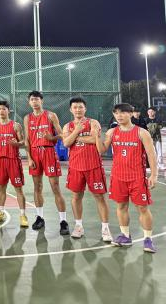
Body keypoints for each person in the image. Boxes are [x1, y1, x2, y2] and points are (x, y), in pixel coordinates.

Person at [105, 103, 157, 253]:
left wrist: (153, 174)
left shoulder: (142, 132)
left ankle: (148, 239)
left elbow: (151, 154)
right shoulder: (111, 132)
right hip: (118, 176)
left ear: (131, 113)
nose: (119, 116)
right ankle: (125, 236)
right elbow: (101, 149)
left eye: (123, 112)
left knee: (142, 208)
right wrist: (96, 136)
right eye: (116, 113)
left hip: (137, 177)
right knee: (121, 207)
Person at [61, 97, 112, 241]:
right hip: (76, 167)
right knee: (76, 196)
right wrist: (77, 131)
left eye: (80, 107)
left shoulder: (93, 122)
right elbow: (66, 143)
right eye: (75, 107)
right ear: (71, 110)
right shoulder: (67, 126)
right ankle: (78, 226)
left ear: (85, 109)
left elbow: (95, 139)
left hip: (93, 165)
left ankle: (105, 228)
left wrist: (75, 137)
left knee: (100, 197)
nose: (78, 110)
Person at [24, 91, 69, 235]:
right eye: (32, 99)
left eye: (37, 99)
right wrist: (29, 158)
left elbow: (62, 135)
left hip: (49, 151)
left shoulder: (50, 115)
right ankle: (39, 217)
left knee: (55, 187)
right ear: (29, 102)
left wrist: (52, 138)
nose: (34, 101)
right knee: (37, 186)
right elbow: (27, 140)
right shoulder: (27, 118)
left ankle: (63, 221)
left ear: (41, 101)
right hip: (34, 153)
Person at [0, 101, 28, 228]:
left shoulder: (16, 126)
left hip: (13, 160)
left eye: (4, 109)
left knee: (18, 189)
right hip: (0, 160)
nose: (1, 111)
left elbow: (23, 142)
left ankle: (23, 215)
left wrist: (17, 144)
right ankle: (0, 212)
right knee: (1, 188)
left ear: (8, 111)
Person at [146, 107, 164, 174]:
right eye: (149, 112)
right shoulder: (146, 120)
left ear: (155, 112)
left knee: (159, 152)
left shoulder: (158, 119)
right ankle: (152, 165)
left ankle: (160, 165)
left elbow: (161, 126)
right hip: (149, 139)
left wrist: (155, 126)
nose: (150, 113)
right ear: (147, 113)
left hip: (157, 138)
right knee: (151, 153)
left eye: (152, 111)